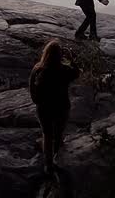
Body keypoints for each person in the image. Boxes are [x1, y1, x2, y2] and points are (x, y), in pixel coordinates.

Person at [29, 39, 81, 176]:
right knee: (58, 134)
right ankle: (57, 157)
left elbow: (31, 88)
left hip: (43, 108)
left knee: (47, 135)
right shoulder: (64, 70)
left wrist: (37, 101)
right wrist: (71, 59)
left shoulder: (38, 69)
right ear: (60, 55)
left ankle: (48, 165)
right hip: (61, 107)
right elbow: (77, 73)